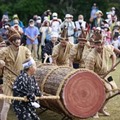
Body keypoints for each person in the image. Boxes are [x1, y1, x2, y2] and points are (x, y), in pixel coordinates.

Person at [85, 30, 119, 118]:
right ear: (94, 45)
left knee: (112, 91)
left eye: (101, 44)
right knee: (100, 92)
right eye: (98, 45)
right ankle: (94, 111)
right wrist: (97, 81)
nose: (100, 46)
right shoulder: (91, 57)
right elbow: (89, 73)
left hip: (107, 74)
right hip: (95, 76)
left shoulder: (107, 48)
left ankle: (101, 108)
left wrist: (113, 65)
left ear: (103, 43)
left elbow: (114, 54)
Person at [0, 27, 31, 120]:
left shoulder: (24, 50)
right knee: (6, 105)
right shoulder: (4, 50)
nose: (17, 41)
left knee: (23, 104)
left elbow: (30, 62)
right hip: (8, 80)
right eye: (15, 39)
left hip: (21, 79)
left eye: (18, 39)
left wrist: (28, 65)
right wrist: (0, 62)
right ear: (11, 41)